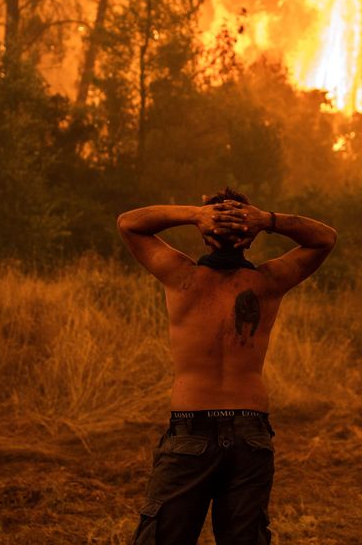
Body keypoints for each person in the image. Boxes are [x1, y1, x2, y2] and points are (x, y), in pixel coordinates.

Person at [117, 187, 337, 545]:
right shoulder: (267, 282)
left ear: (205, 235)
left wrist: (195, 215)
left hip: (192, 428)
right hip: (249, 432)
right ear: (249, 238)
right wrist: (267, 221)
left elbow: (129, 223)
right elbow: (325, 238)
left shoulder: (180, 276)